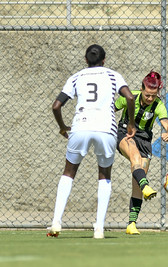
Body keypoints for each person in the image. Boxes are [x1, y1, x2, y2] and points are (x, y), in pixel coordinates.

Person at [47, 44, 136, 239]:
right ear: (104, 60)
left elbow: (56, 106)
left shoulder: (77, 77)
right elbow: (130, 97)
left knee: (69, 172)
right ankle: (99, 228)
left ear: (86, 60)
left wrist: (62, 127)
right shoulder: (113, 75)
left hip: (81, 126)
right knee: (104, 174)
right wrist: (131, 123)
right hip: (106, 128)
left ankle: (56, 221)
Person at [115, 70, 168, 235]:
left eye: (153, 96)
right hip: (125, 133)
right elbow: (111, 109)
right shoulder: (129, 97)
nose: (149, 98)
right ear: (141, 89)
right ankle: (146, 184)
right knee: (135, 157)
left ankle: (131, 224)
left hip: (145, 140)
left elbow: (166, 123)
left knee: (137, 183)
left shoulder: (158, 105)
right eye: (147, 95)